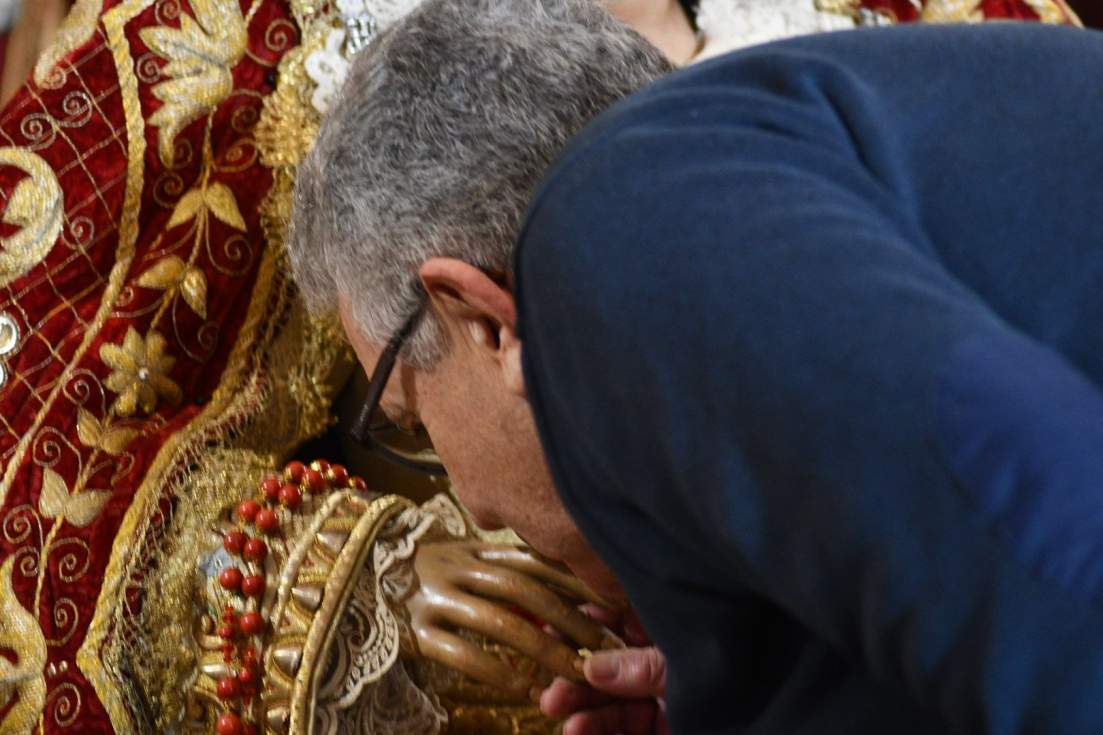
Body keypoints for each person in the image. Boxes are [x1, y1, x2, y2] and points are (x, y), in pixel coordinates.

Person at [290, 1, 1103, 734]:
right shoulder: (720, 178)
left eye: (411, 422)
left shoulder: (612, 228)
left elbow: (1047, 561)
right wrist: (748, 689)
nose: (469, 503)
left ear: (484, 320)